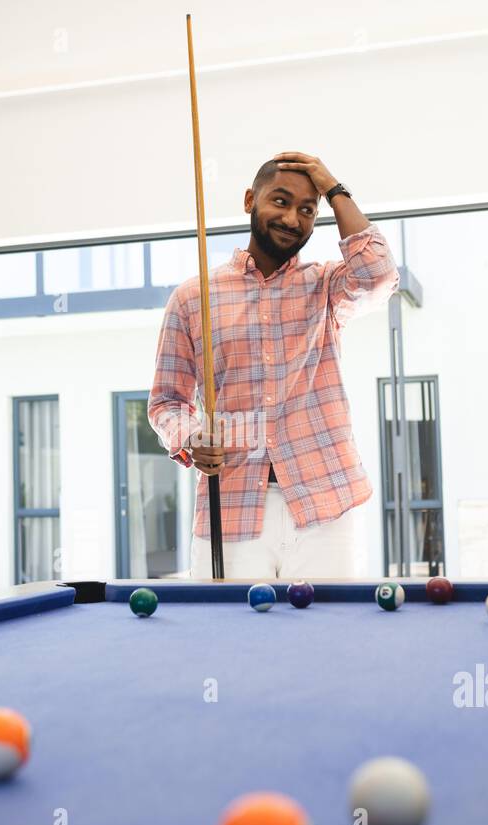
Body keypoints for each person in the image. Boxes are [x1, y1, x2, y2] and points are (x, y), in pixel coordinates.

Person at [148, 153, 398, 579]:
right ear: (250, 200)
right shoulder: (192, 298)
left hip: (325, 505)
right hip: (230, 507)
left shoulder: (326, 286)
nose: (292, 219)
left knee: (326, 638)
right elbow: (166, 403)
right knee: (229, 641)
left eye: (306, 210)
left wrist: (332, 187)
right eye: (280, 202)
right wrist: (190, 436)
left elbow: (377, 275)